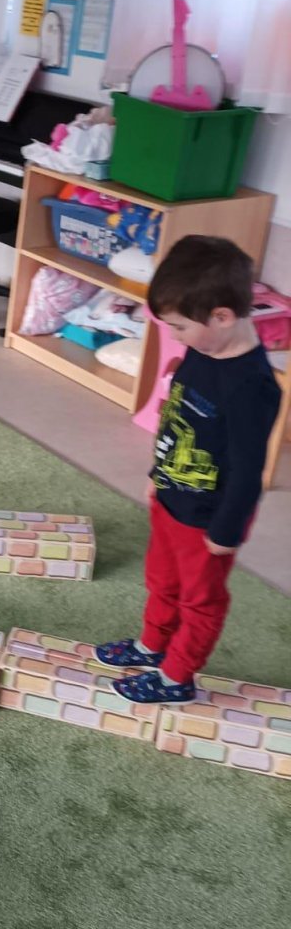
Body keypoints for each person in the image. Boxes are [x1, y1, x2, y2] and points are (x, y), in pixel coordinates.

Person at [96, 235, 280, 703]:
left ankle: (177, 678)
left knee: (200, 600)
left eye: (179, 327)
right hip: (171, 495)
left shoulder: (251, 387)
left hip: (209, 519)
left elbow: (249, 470)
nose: (174, 337)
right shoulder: (204, 349)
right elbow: (178, 418)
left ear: (222, 316)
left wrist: (227, 530)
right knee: (162, 580)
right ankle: (152, 646)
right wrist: (157, 473)